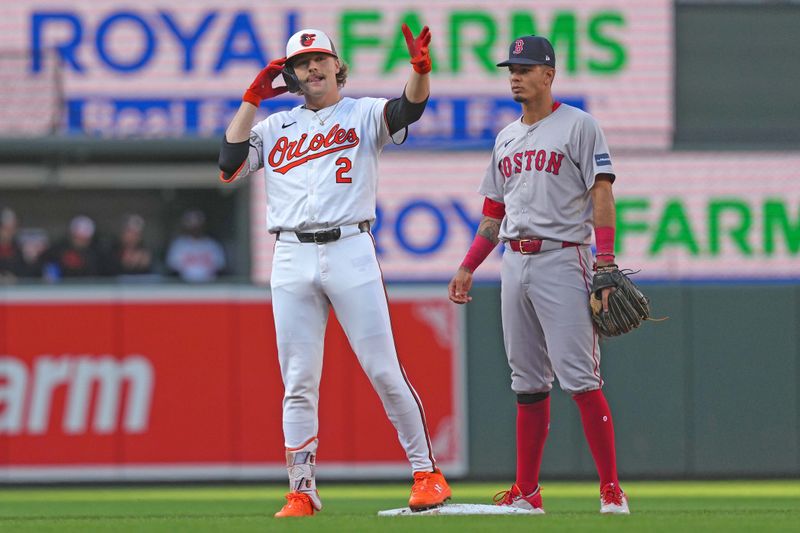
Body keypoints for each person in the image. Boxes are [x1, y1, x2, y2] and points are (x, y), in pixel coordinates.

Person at [218, 25, 450, 517]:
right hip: (290, 253)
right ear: (292, 75)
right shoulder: (274, 126)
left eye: (320, 58)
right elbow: (228, 164)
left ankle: (427, 472)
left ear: (336, 64)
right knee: (298, 380)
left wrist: (420, 70)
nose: (313, 68)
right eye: (302, 63)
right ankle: (301, 490)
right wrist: (250, 100)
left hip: (349, 246)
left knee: (384, 370)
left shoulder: (363, 112)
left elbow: (408, 109)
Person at [448, 35, 630, 515]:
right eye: (512, 68)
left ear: (548, 75)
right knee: (526, 381)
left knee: (580, 378)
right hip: (514, 259)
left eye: (526, 68)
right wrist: (469, 266)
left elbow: (602, 192)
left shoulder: (579, 125)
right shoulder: (505, 137)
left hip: (562, 255)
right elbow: (493, 211)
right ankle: (526, 492)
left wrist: (605, 260)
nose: (516, 75)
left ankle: (611, 489)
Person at [165, 209, 226, 283]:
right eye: (192, 226)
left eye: (197, 225)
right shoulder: (178, 245)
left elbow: (219, 268)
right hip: (184, 287)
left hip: (209, 287)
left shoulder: (212, 245)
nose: (195, 229)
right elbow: (173, 269)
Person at [41, 215, 103, 279]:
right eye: (78, 237)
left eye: (84, 239)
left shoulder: (97, 253)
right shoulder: (58, 251)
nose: (81, 241)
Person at [0, 207, 27, 281]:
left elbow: (23, 271)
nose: (10, 232)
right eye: (6, 228)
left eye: (12, 228)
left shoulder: (17, 248)